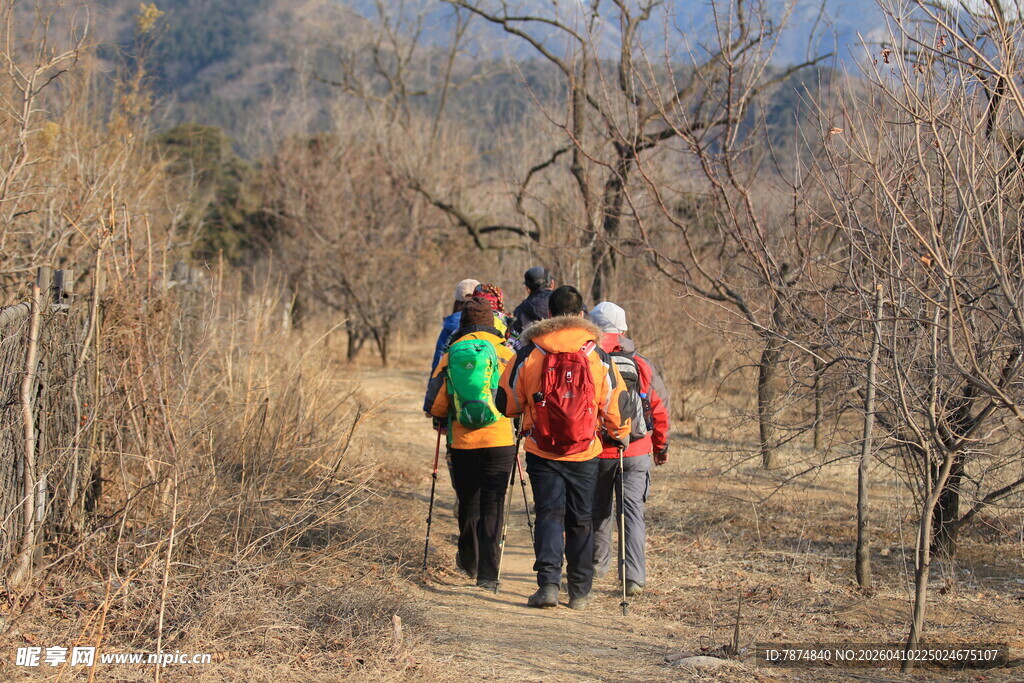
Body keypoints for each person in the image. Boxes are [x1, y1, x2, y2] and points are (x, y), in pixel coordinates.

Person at [497, 285, 631, 610]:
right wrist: (620, 431)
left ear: (549, 315)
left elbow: (506, 401)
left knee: (548, 514)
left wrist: (528, 411)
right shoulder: (596, 354)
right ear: (582, 314)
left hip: (542, 449)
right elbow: (617, 402)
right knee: (582, 517)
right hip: (586, 451)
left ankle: (548, 587)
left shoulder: (530, 352)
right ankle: (581, 591)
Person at [424, 298, 517, 590]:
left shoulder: (451, 353)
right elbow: (517, 397)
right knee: (494, 503)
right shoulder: (506, 353)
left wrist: (442, 415)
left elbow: (436, 404)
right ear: (492, 323)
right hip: (500, 439)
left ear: (463, 324)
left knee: (468, 501)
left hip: (462, 441)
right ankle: (489, 574)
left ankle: (469, 561)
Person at [588, 302, 670, 597]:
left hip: (597, 448)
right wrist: (660, 445)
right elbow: (659, 408)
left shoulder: (589, 358)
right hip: (636, 450)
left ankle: (596, 567)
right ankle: (633, 578)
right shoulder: (642, 363)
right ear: (623, 330)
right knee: (632, 512)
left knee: (597, 511)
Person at [432, 279, 479, 375]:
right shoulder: (489, 325)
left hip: (453, 381)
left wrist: (433, 388)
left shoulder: (450, 326)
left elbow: (439, 359)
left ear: (457, 302)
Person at [510, 267, 554, 337]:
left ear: (528, 289)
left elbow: (515, 341)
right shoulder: (564, 301)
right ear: (552, 283)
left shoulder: (519, 312)